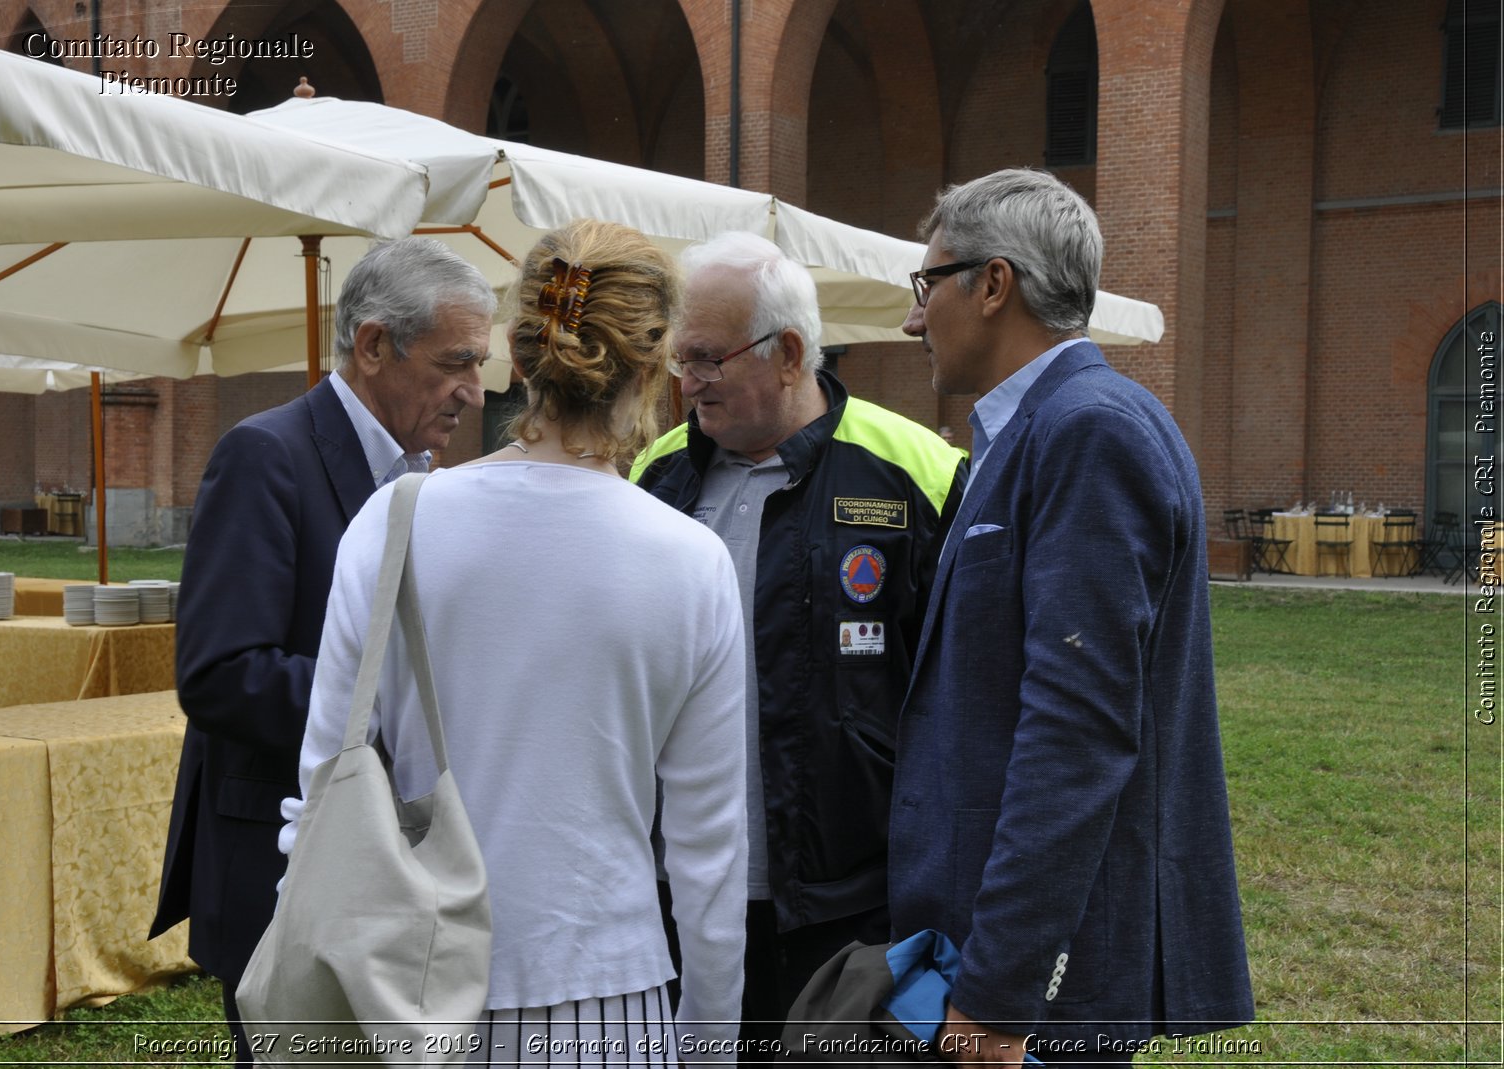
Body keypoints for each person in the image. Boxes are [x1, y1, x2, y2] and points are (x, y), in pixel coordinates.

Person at [284, 219, 749, 1062]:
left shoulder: (396, 522)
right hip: (610, 997)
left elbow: (324, 781)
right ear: (653, 368)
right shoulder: (694, 561)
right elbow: (708, 855)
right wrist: (710, 1043)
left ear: (519, 357)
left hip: (408, 989)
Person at [891, 168, 1254, 1066]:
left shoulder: (1088, 430)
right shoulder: (1029, 431)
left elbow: (1078, 731)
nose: (911, 318)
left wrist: (1004, 985)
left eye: (926, 285)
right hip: (988, 953)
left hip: (1038, 986)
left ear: (993, 284)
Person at [150, 237, 496, 1066]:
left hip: (383, 861)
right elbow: (219, 673)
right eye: (457, 363)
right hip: (283, 868)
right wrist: (387, 699)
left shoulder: (429, 480)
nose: (475, 393)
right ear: (374, 345)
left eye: (480, 364)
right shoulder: (266, 456)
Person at [630, 231, 967, 1052]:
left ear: (788, 352)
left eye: (708, 358)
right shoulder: (655, 477)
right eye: (681, 358)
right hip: (680, 895)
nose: (689, 381)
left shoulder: (921, 474)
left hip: (851, 907)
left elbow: (966, 702)